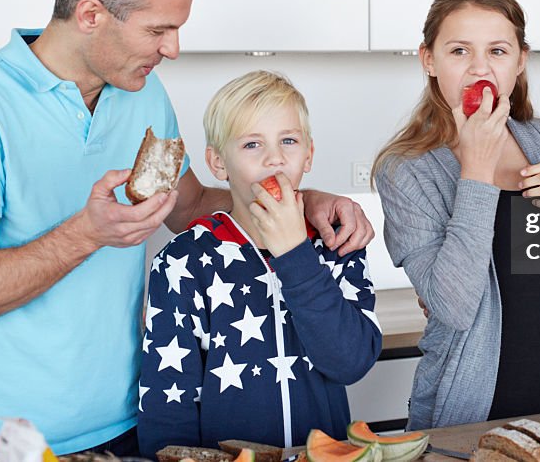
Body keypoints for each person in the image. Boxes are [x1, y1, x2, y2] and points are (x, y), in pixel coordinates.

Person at [0, 0, 373, 461]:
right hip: (3, 443)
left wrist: (303, 201)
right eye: (158, 30)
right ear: (90, 15)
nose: (172, 49)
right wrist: (87, 232)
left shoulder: (141, 91)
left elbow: (192, 204)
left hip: (129, 423)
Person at [374, 0, 540, 430]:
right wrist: (477, 172)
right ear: (429, 60)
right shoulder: (407, 170)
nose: (480, 69)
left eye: (497, 51)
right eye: (459, 51)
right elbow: (453, 307)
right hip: (464, 417)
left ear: (520, 60)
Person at [138, 71, 381, 457]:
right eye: (252, 144)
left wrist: (295, 254)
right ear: (218, 163)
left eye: (288, 140)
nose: (275, 158)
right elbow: (168, 407)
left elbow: (350, 363)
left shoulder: (338, 243)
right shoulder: (182, 261)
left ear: (309, 154)